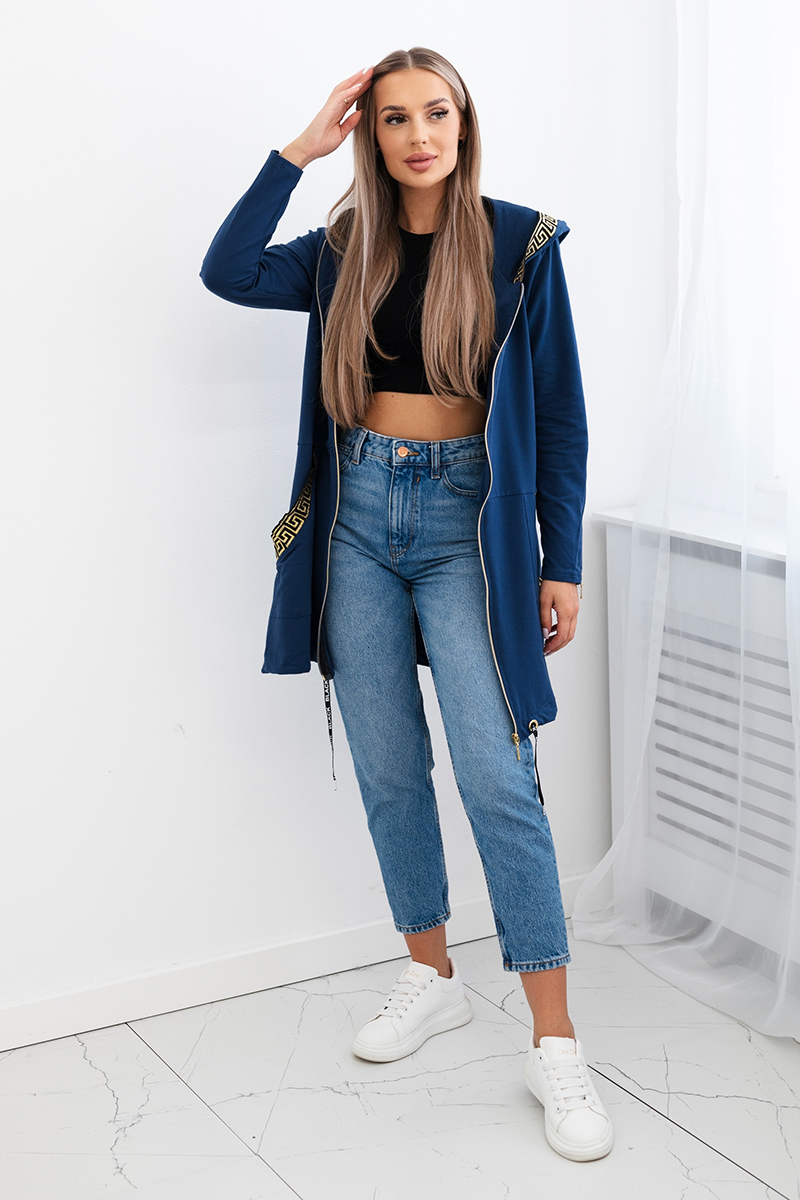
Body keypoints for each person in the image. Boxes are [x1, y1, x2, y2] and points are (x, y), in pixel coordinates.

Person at [200, 47, 612, 1163]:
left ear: (463, 123)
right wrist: (299, 151)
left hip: (469, 526)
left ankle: (553, 1039)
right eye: (393, 118)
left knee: (496, 775)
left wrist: (559, 560)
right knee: (388, 766)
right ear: (371, 135)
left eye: (436, 113)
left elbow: (560, 414)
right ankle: (429, 972)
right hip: (355, 518)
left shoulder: (522, 243)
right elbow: (226, 271)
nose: (418, 135)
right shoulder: (343, 245)